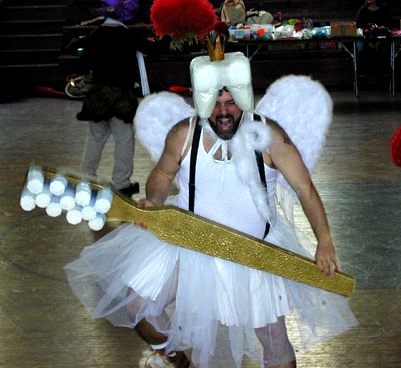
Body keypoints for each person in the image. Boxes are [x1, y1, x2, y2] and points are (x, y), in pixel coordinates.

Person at [64, 51, 357, 368]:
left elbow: (305, 189)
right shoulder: (184, 134)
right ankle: (179, 361)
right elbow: (162, 175)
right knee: (138, 306)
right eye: (216, 104)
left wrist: (325, 240)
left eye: (230, 102)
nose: (224, 111)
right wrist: (155, 201)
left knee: (275, 341)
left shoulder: (268, 136)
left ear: (243, 99)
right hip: (189, 244)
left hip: (255, 250)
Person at [75, 1, 142, 198]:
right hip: (121, 96)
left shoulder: (95, 34)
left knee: (95, 138)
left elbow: (82, 62)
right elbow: (154, 50)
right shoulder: (128, 35)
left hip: (98, 96)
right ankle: (121, 183)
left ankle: (86, 180)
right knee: (124, 139)